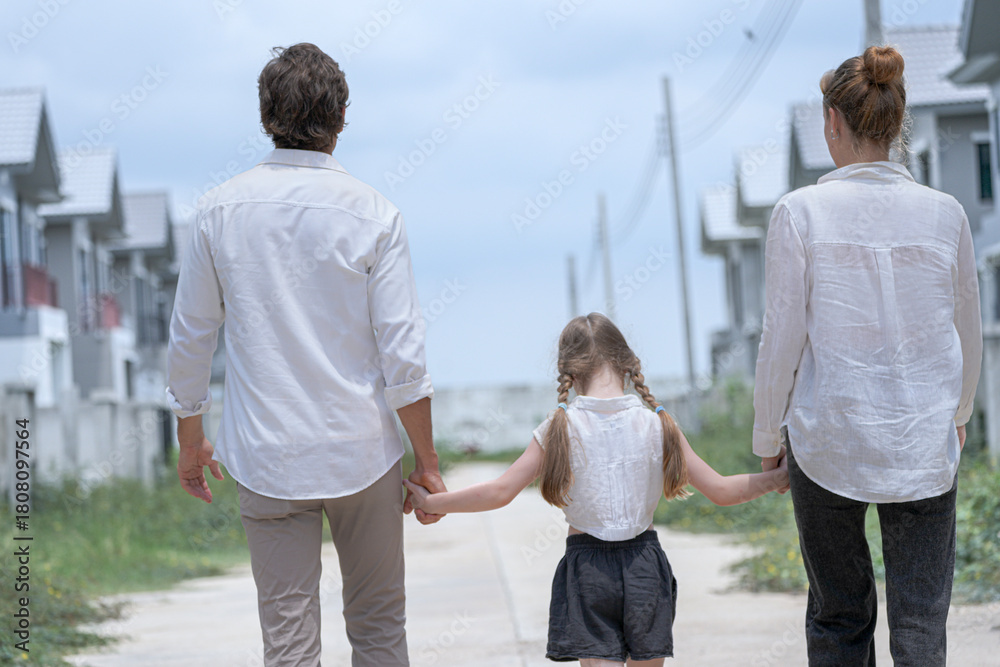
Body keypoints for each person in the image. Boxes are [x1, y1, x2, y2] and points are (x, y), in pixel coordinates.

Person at [165, 43, 445, 667]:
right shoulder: (376, 214)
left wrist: (190, 440)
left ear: (265, 114)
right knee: (378, 630)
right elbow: (404, 355)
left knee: (287, 644)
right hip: (364, 454)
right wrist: (425, 461)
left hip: (266, 455)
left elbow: (190, 337)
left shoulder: (218, 211)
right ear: (342, 117)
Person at [752, 45, 982, 666]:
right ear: (898, 117)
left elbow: (782, 339)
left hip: (828, 436)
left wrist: (766, 435)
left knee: (839, 615)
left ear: (832, 121)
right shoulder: (948, 214)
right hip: (924, 437)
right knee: (921, 620)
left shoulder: (798, 213)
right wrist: (958, 414)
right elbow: (969, 327)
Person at [405, 313, 790, 666]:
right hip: (645, 566)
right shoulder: (658, 425)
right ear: (626, 363)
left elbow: (500, 491)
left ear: (569, 371)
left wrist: (434, 502)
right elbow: (722, 490)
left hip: (587, 569)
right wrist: (778, 477)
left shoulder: (559, 428)